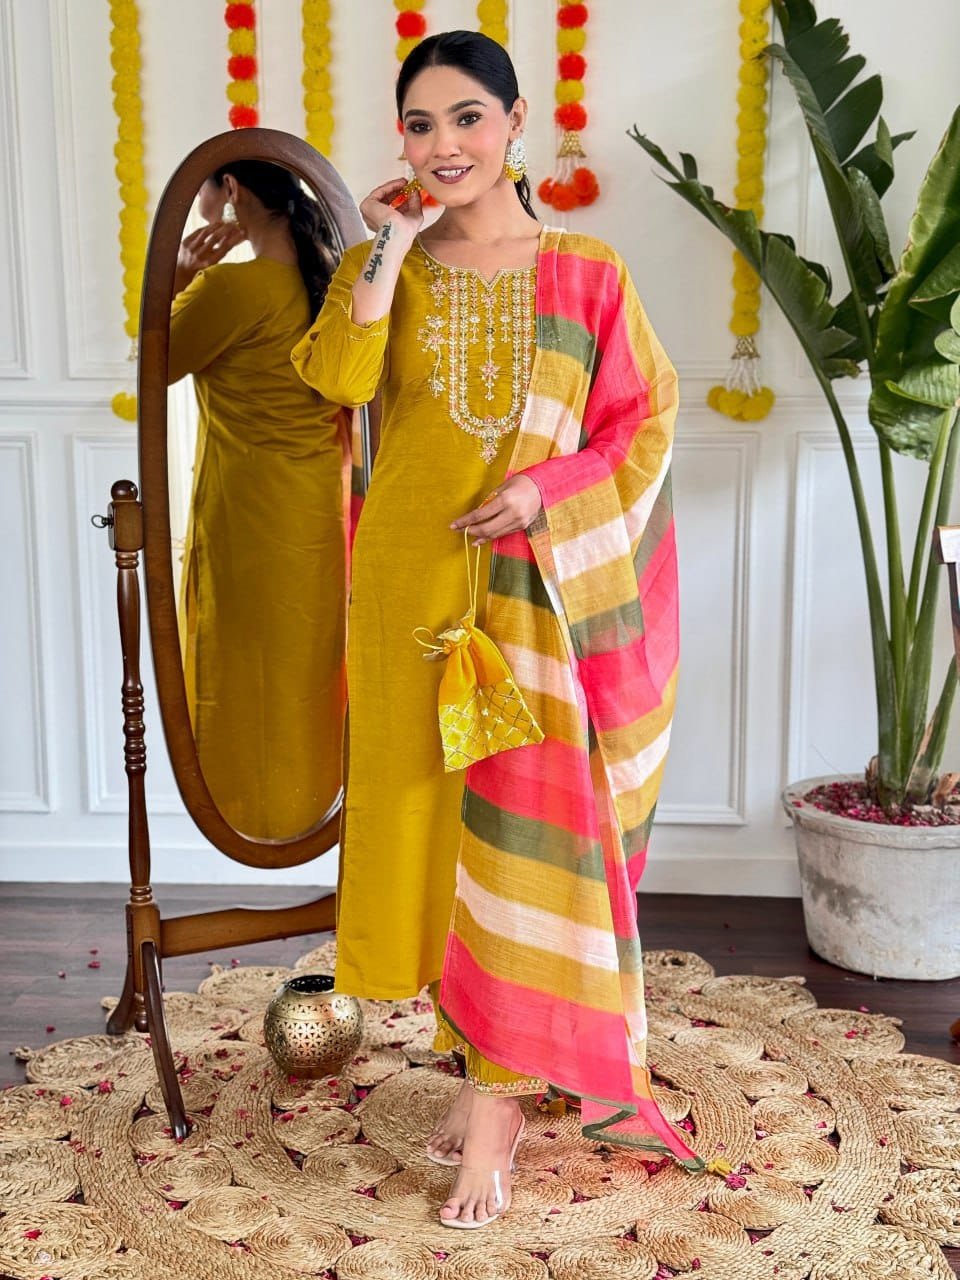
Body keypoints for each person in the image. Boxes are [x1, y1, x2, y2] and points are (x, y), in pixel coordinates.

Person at [292, 30, 706, 1229]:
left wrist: (542, 488)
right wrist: (389, 243)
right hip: (410, 589)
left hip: (537, 592)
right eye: (421, 125)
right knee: (437, 842)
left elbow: (644, 420)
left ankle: (495, 1113)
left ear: (518, 121)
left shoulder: (587, 271)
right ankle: (487, 1062)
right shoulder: (387, 262)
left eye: (468, 118)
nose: (444, 145)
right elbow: (338, 379)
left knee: (529, 835)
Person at [169, 161, 348, 841]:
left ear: (232, 191)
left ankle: (253, 819)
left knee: (247, 665)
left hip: (249, 507)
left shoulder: (232, 287)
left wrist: (179, 278)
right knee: (307, 667)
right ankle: (313, 808)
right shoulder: (325, 281)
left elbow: (156, 363)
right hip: (315, 506)